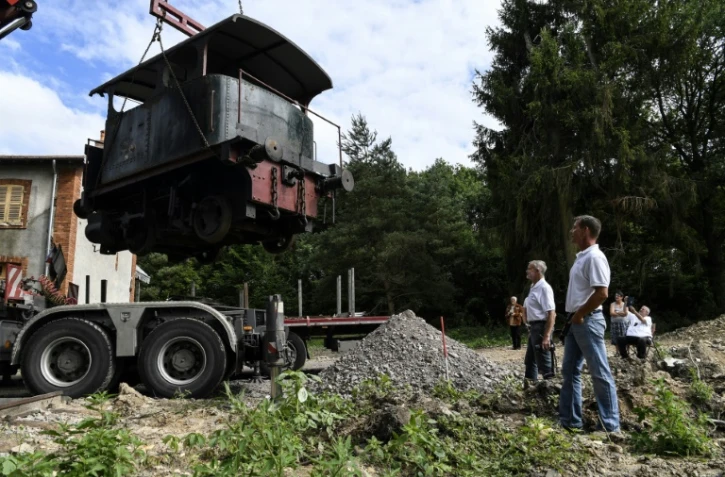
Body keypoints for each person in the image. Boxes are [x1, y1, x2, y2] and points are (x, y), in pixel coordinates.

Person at [560, 215, 620, 433]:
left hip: (586, 319)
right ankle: (570, 420)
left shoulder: (595, 257)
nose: (571, 231)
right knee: (569, 371)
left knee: (599, 371)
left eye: (574, 227)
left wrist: (580, 314)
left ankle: (609, 425)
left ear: (585, 230)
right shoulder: (582, 257)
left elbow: (602, 293)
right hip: (577, 320)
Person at [522, 260, 556, 380]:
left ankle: (550, 389)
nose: (527, 271)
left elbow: (551, 313)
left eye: (529, 269)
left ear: (538, 271)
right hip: (534, 327)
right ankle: (530, 385)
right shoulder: (534, 287)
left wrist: (546, 336)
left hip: (541, 327)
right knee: (530, 360)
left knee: (544, 359)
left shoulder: (544, 288)